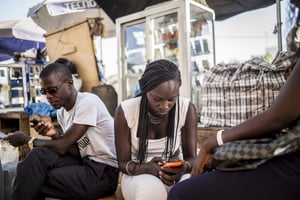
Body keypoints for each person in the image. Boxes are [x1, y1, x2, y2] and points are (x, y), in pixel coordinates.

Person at [168, 53, 300, 199]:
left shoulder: (186, 108)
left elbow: (278, 118)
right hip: (288, 153)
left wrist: (212, 142)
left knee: (180, 194)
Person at [4, 61, 119, 200]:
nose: (48, 96)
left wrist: (27, 140)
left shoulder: (88, 102)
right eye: (44, 92)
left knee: (34, 178)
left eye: (52, 90)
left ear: (70, 84)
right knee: (37, 156)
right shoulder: (62, 113)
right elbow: (76, 151)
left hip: (104, 172)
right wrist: (55, 135)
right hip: (85, 162)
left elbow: (62, 146)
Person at [114, 59, 198, 200]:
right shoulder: (126, 111)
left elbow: (192, 158)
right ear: (145, 90)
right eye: (158, 99)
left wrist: (183, 168)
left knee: (191, 188)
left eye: (171, 99)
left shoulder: (186, 108)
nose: (165, 105)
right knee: (151, 190)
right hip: (138, 176)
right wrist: (147, 168)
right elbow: (123, 163)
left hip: (175, 175)